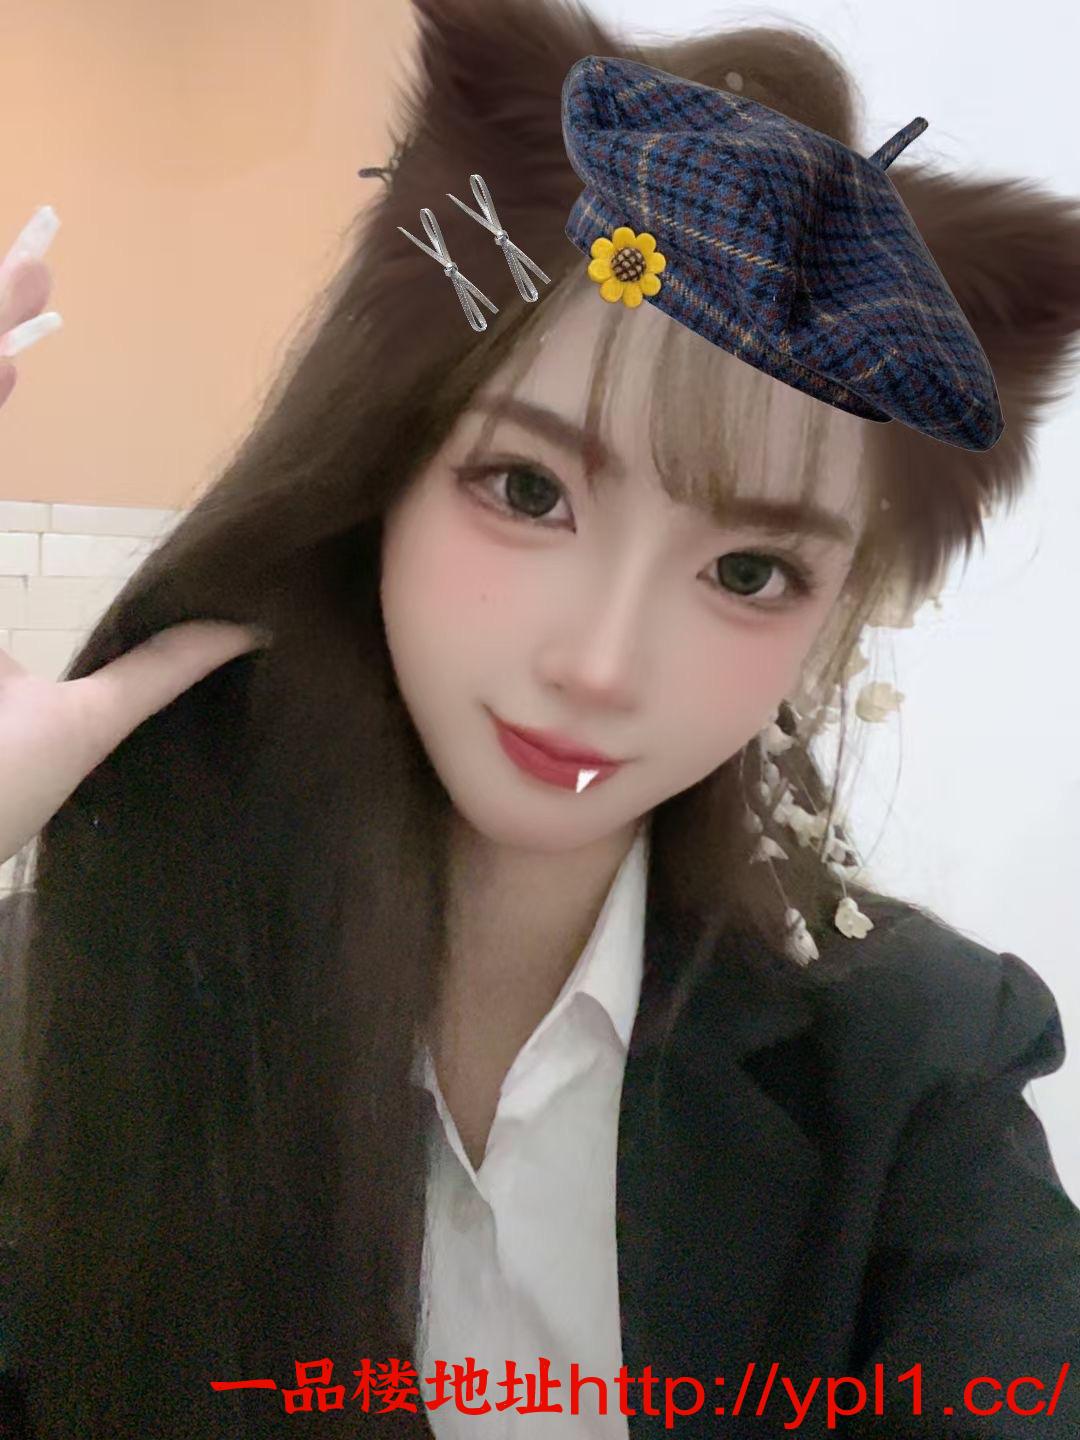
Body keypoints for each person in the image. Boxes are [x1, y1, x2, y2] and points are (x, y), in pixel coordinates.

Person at [2, 0, 1079, 1435]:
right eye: (527, 491)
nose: (601, 665)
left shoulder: (915, 1064)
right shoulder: (70, 1005)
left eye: (749, 572)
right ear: (382, 467)